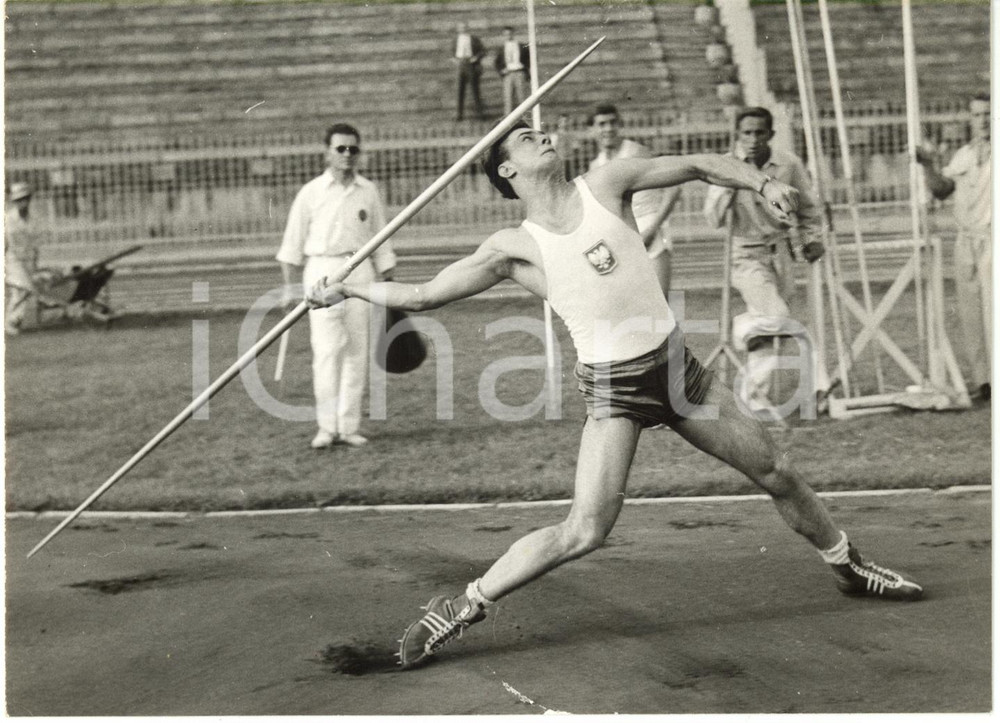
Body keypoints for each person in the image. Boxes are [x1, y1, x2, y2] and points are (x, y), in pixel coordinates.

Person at [307, 121, 923, 670]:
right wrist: (349, 289)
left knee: (777, 470)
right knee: (585, 530)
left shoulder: (607, 183)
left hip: (678, 371)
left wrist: (761, 184)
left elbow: (700, 164)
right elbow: (422, 296)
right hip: (615, 390)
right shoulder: (512, 246)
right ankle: (459, 607)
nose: (543, 137)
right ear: (508, 170)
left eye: (541, 131)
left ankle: (847, 564)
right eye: (526, 139)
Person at [277, 123, 397, 449]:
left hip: (360, 271)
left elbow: (381, 236)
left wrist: (387, 275)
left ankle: (348, 427)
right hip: (322, 271)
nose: (347, 154)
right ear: (327, 153)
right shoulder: (311, 192)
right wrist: (289, 289)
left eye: (353, 149)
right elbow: (292, 245)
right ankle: (327, 428)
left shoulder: (368, 190)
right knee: (327, 352)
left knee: (357, 352)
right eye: (340, 148)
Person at [703, 106, 826, 414]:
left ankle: (753, 401)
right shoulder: (727, 165)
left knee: (770, 333)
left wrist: (810, 240)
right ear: (737, 135)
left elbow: (809, 209)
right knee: (776, 316)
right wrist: (729, 185)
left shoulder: (788, 163)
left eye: (759, 132)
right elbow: (713, 219)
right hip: (744, 253)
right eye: (747, 133)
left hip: (780, 251)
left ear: (770, 134)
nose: (753, 139)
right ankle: (741, 327)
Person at [916, 92, 991, 402]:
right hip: (966, 241)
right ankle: (984, 380)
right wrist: (927, 165)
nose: (983, 120)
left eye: (989, 114)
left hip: (994, 239)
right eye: (977, 115)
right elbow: (942, 189)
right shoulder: (964, 154)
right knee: (971, 312)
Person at [588, 104, 680, 297]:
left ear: (620, 125)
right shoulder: (596, 165)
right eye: (602, 124)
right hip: (619, 239)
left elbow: (673, 189)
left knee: (660, 304)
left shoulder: (636, 153)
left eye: (613, 122)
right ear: (593, 129)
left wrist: (652, 229)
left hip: (649, 232)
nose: (608, 129)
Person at [5, 181, 38, 335]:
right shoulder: (8, 218)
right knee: (24, 287)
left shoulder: (33, 218)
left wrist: (35, 260)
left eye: (25, 199)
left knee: (20, 292)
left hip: (28, 259)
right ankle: (11, 321)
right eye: (18, 200)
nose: (22, 203)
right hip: (12, 259)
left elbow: (35, 242)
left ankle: (14, 321)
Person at [453, 22, 486, 121]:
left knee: (475, 89)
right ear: (458, 29)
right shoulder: (455, 40)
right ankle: (459, 115)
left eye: (464, 27)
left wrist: (476, 58)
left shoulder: (473, 39)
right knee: (459, 90)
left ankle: (480, 114)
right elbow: (451, 52)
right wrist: (454, 59)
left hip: (471, 64)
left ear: (467, 28)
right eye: (461, 27)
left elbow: (483, 51)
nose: (463, 29)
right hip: (460, 64)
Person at [494, 26, 529, 116]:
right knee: (508, 98)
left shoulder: (521, 46)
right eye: (506, 34)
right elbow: (497, 62)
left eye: (510, 34)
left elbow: (528, 59)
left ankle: (525, 118)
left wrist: (525, 70)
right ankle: (508, 119)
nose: (508, 36)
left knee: (522, 97)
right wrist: (502, 70)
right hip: (508, 74)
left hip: (519, 72)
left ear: (513, 34)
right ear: (503, 35)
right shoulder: (502, 48)